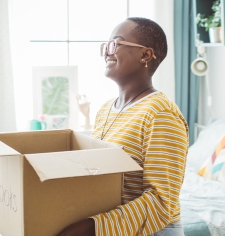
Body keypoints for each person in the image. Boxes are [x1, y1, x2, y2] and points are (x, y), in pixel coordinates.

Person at [58, 17, 189, 236]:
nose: (107, 52)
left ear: (145, 55)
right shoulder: (106, 109)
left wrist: (90, 228)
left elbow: (161, 201)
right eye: (105, 46)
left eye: (115, 44)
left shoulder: (160, 113)